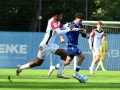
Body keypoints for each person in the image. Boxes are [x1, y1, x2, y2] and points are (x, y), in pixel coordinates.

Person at [16, 9, 83, 78]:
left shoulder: (58, 22)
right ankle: (20, 68)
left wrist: (77, 29)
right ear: (56, 15)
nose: (61, 17)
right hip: (45, 45)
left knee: (64, 54)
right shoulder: (53, 22)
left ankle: (59, 73)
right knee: (38, 63)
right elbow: (59, 32)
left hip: (51, 45)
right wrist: (69, 29)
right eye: (60, 16)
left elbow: (65, 27)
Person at [48, 12, 89, 81]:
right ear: (76, 18)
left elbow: (82, 33)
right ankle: (76, 73)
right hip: (71, 45)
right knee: (82, 57)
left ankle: (53, 67)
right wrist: (61, 37)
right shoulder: (70, 24)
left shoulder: (80, 24)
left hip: (74, 45)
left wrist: (86, 36)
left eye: (82, 20)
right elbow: (59, 29)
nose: (81, 21)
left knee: (67, 62)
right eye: (80, 20)